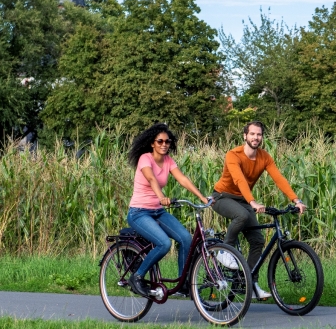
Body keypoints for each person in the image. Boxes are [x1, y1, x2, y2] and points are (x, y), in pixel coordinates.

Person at [212, 121, 306, 300]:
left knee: (257, 241)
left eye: (259, 134)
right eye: (252, 134)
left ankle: (250, 283)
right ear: (245, 136)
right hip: (222, 197)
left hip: (243, 200)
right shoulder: (234, 155)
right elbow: (239, 180)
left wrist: (296, 200)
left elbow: (279, 179)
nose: (256, 137)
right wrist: (253, 202)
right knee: (242, 214)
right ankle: (223, 251)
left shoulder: (264, 157)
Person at [125, 123, 209, 297]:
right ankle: (138, 276)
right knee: (164, 244)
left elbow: (182, 179)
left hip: (157, 212)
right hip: (139, 212)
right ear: (152, 143)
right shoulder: (145, 158)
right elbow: (151, 178)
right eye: (160, 141)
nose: (164, 144)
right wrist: (161, 196)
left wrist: (202, 197)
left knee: (186, 239)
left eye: (167, 142)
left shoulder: (169, 160)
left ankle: (183, 283)